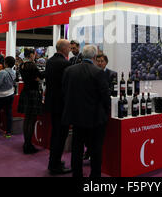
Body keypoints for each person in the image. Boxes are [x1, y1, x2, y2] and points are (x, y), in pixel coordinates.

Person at [62, 45, 110, 178]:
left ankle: (76, 174)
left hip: (76, 117)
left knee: (77, 148)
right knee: (96, 149)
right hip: (95, 118)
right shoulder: (98, 72)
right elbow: (105, 97)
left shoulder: (69, 70)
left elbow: (64, 92)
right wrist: (106, 113)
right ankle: (95, 175)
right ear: (94, 57)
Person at [44, 39, 72, 175]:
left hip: (52, 103)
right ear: (63, 48)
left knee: (56, 134)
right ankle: (55, 165)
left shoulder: (50, 61)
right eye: (68, 47)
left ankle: (53, 161)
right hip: (61, 105)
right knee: (60, 135)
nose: (70, 49)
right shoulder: (65, 63)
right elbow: (67, 86)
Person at [18, 48, 45, 154]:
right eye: (34, 54)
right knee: (32, 120)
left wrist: (37, 78)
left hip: (25, 92)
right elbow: (40, 76)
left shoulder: (22, 65)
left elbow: (36, 77)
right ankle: (28, 145)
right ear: (31, 55)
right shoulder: (32, 65)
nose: (35, 56)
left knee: (27, 119)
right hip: (33, 93)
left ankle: (26, 143)